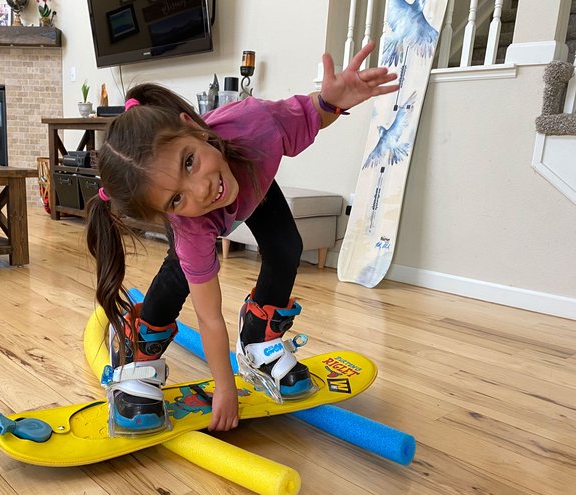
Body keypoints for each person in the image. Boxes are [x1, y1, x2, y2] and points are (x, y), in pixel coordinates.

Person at [86, 42, 397, 434]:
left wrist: (332, 101)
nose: (201, 190)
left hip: (251, 173)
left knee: (287, 247)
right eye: (176, 197)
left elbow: (310, 114)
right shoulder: (191, 223)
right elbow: (209, 316)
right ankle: (140, 350)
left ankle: (258, 341)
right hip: (208, 218)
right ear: (168, 211)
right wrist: (224, 387)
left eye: (189, 161)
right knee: (180, 272)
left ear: (194, 127)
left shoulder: (255, 124)